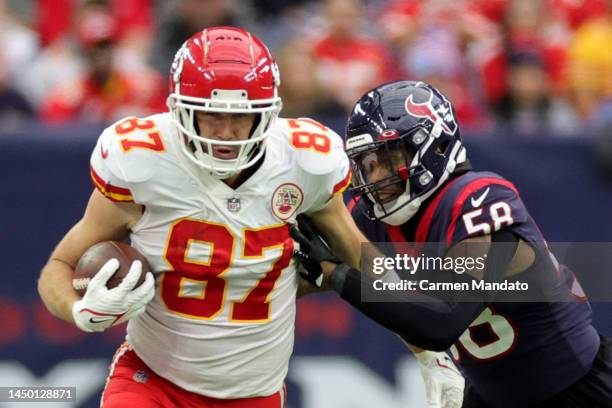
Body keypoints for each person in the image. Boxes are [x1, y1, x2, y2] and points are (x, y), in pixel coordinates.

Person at [37, 28, 461, 407]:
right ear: (180, 109)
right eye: (211, 113)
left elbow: (363, 260)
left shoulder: (304, 162)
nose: (225, 131)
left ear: (268, 111)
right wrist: (79, 310)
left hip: (254, 395)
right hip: (152, 382)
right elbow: (57, 268)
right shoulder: (143, 162)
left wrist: (427, 351)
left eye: (240, 116)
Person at [292, 80, 612, 407]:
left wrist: (334, 275)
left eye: (386, 159)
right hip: (491, 395)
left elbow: (443, 319)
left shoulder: (475, 198)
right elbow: (364, 280)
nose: (373, 179)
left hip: (576, 388)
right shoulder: (375, 216)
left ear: (434, 146)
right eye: (366, 165)